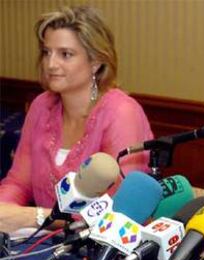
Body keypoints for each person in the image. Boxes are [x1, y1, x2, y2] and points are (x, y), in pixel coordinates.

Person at [0, 6, 153, 233]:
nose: (51, 64)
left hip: (101, 251)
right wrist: (4, 210)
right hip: (43, 243)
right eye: (46, 52)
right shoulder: (41, 106)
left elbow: (116, 211)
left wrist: (36, 217)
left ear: (96, 62)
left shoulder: (122, 113)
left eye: (65, 54)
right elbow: (18, 182)